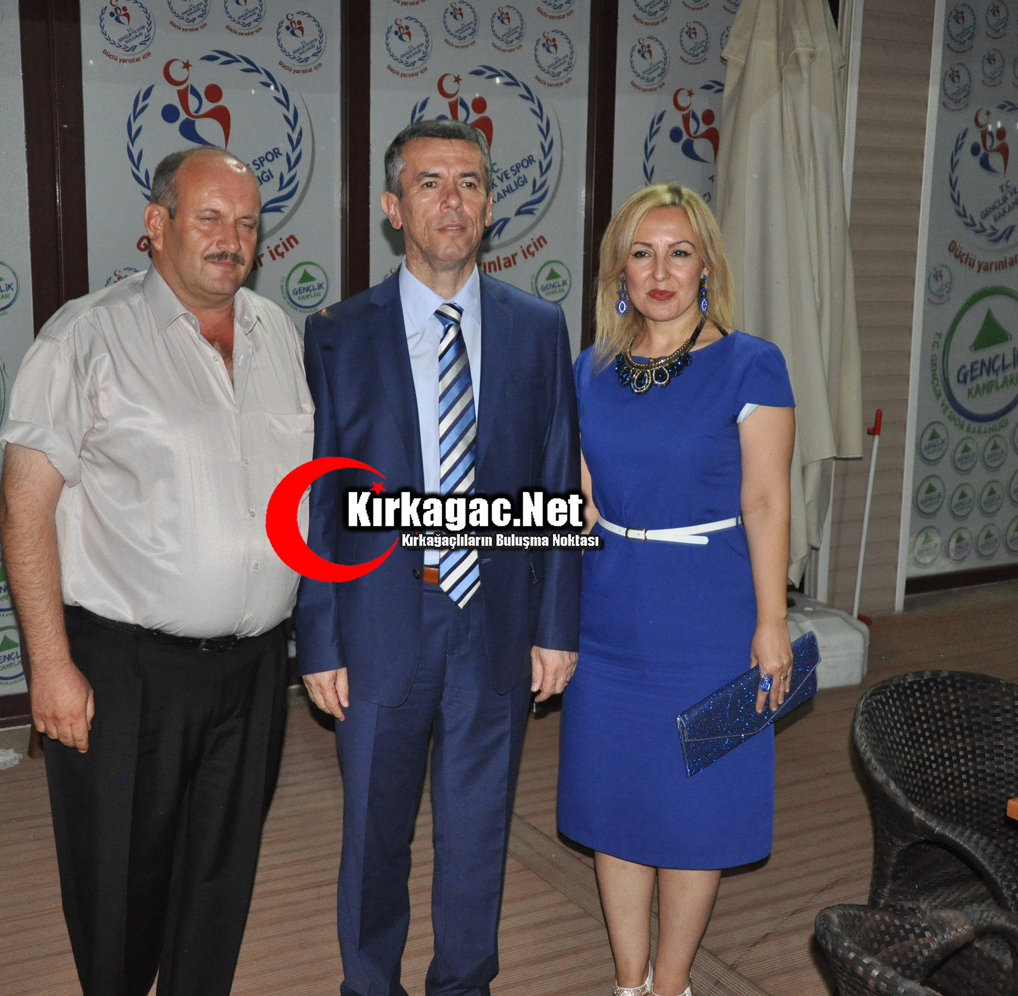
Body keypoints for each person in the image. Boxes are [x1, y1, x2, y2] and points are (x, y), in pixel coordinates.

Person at [0, 146, 312, 996]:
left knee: (219, 883)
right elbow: (23, 508)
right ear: (157, 224)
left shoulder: (278, 335)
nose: (231, 239)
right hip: (125, 670)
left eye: (247, 223)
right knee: (119, 890)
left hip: (254, 669)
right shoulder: (84, 335)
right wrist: (49, 665)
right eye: (209, 218)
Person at [296, 119, 581, 996]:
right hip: (380, 621)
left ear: (490, 208)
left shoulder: (538, 328)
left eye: (469, 183)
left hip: (494, 622)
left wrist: (555, 626)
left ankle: (464, 984)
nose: (451, 201)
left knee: (478, 832)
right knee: (374, 837)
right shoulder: (338, 332)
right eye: (429, 183)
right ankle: (368, 985)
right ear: (394, 208)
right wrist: (320, 638)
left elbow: (554, 478)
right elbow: (320, 498)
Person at [556, 183, 796, 996]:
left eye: (680, 253)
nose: (661, 272)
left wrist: (772, 620)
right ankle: (629, 983)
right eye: (643, 254)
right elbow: (580, 503)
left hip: (714, 618)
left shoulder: (751, 364)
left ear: (706, 268)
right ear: (619, 272)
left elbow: (766, 500)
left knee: (698, 811)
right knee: (616, 805)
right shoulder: (591, 370)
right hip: (608, 617)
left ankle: (673, 984)